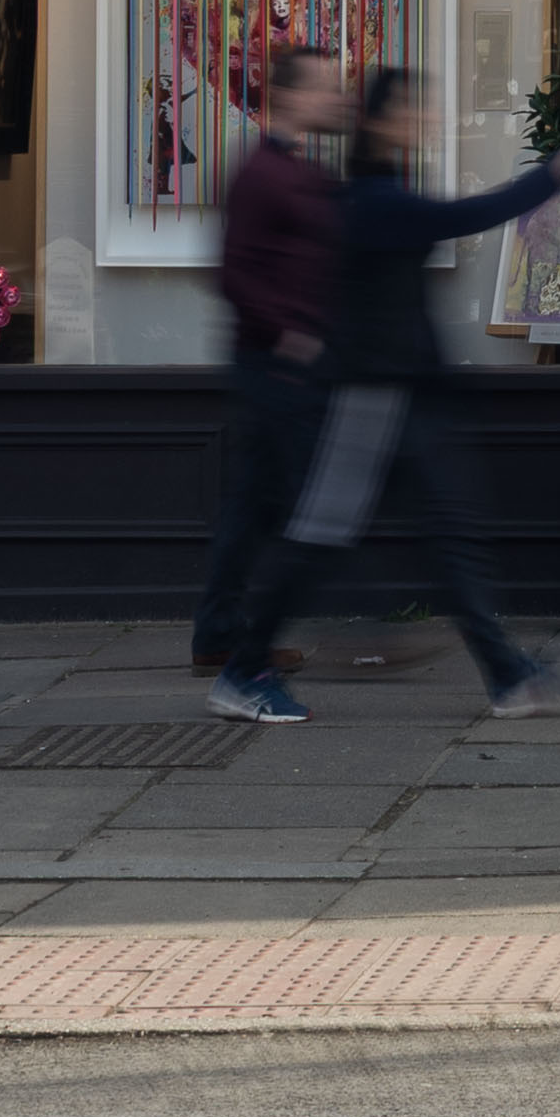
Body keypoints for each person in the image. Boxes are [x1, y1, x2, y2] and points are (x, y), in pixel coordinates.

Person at [233, 65, 560, 712]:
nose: (425, 117)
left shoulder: (374, 194)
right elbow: (475, 213)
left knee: (453, 540)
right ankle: (242, 670)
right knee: (318, 540)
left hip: (413, 398)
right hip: (367, 398)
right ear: (381, 120)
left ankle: (508, 676)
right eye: (412, 107)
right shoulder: (374, 203)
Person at [196, 42, 351, 723]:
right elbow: (231, 273)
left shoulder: (295, 170)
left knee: (255, 508)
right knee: (298, 515)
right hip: (273, 370)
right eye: (325, 87)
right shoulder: (263, 174)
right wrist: (287, 331)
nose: (335, 97)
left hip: (277, 368)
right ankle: (243, 661)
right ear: (288, 95)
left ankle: (223, 636)